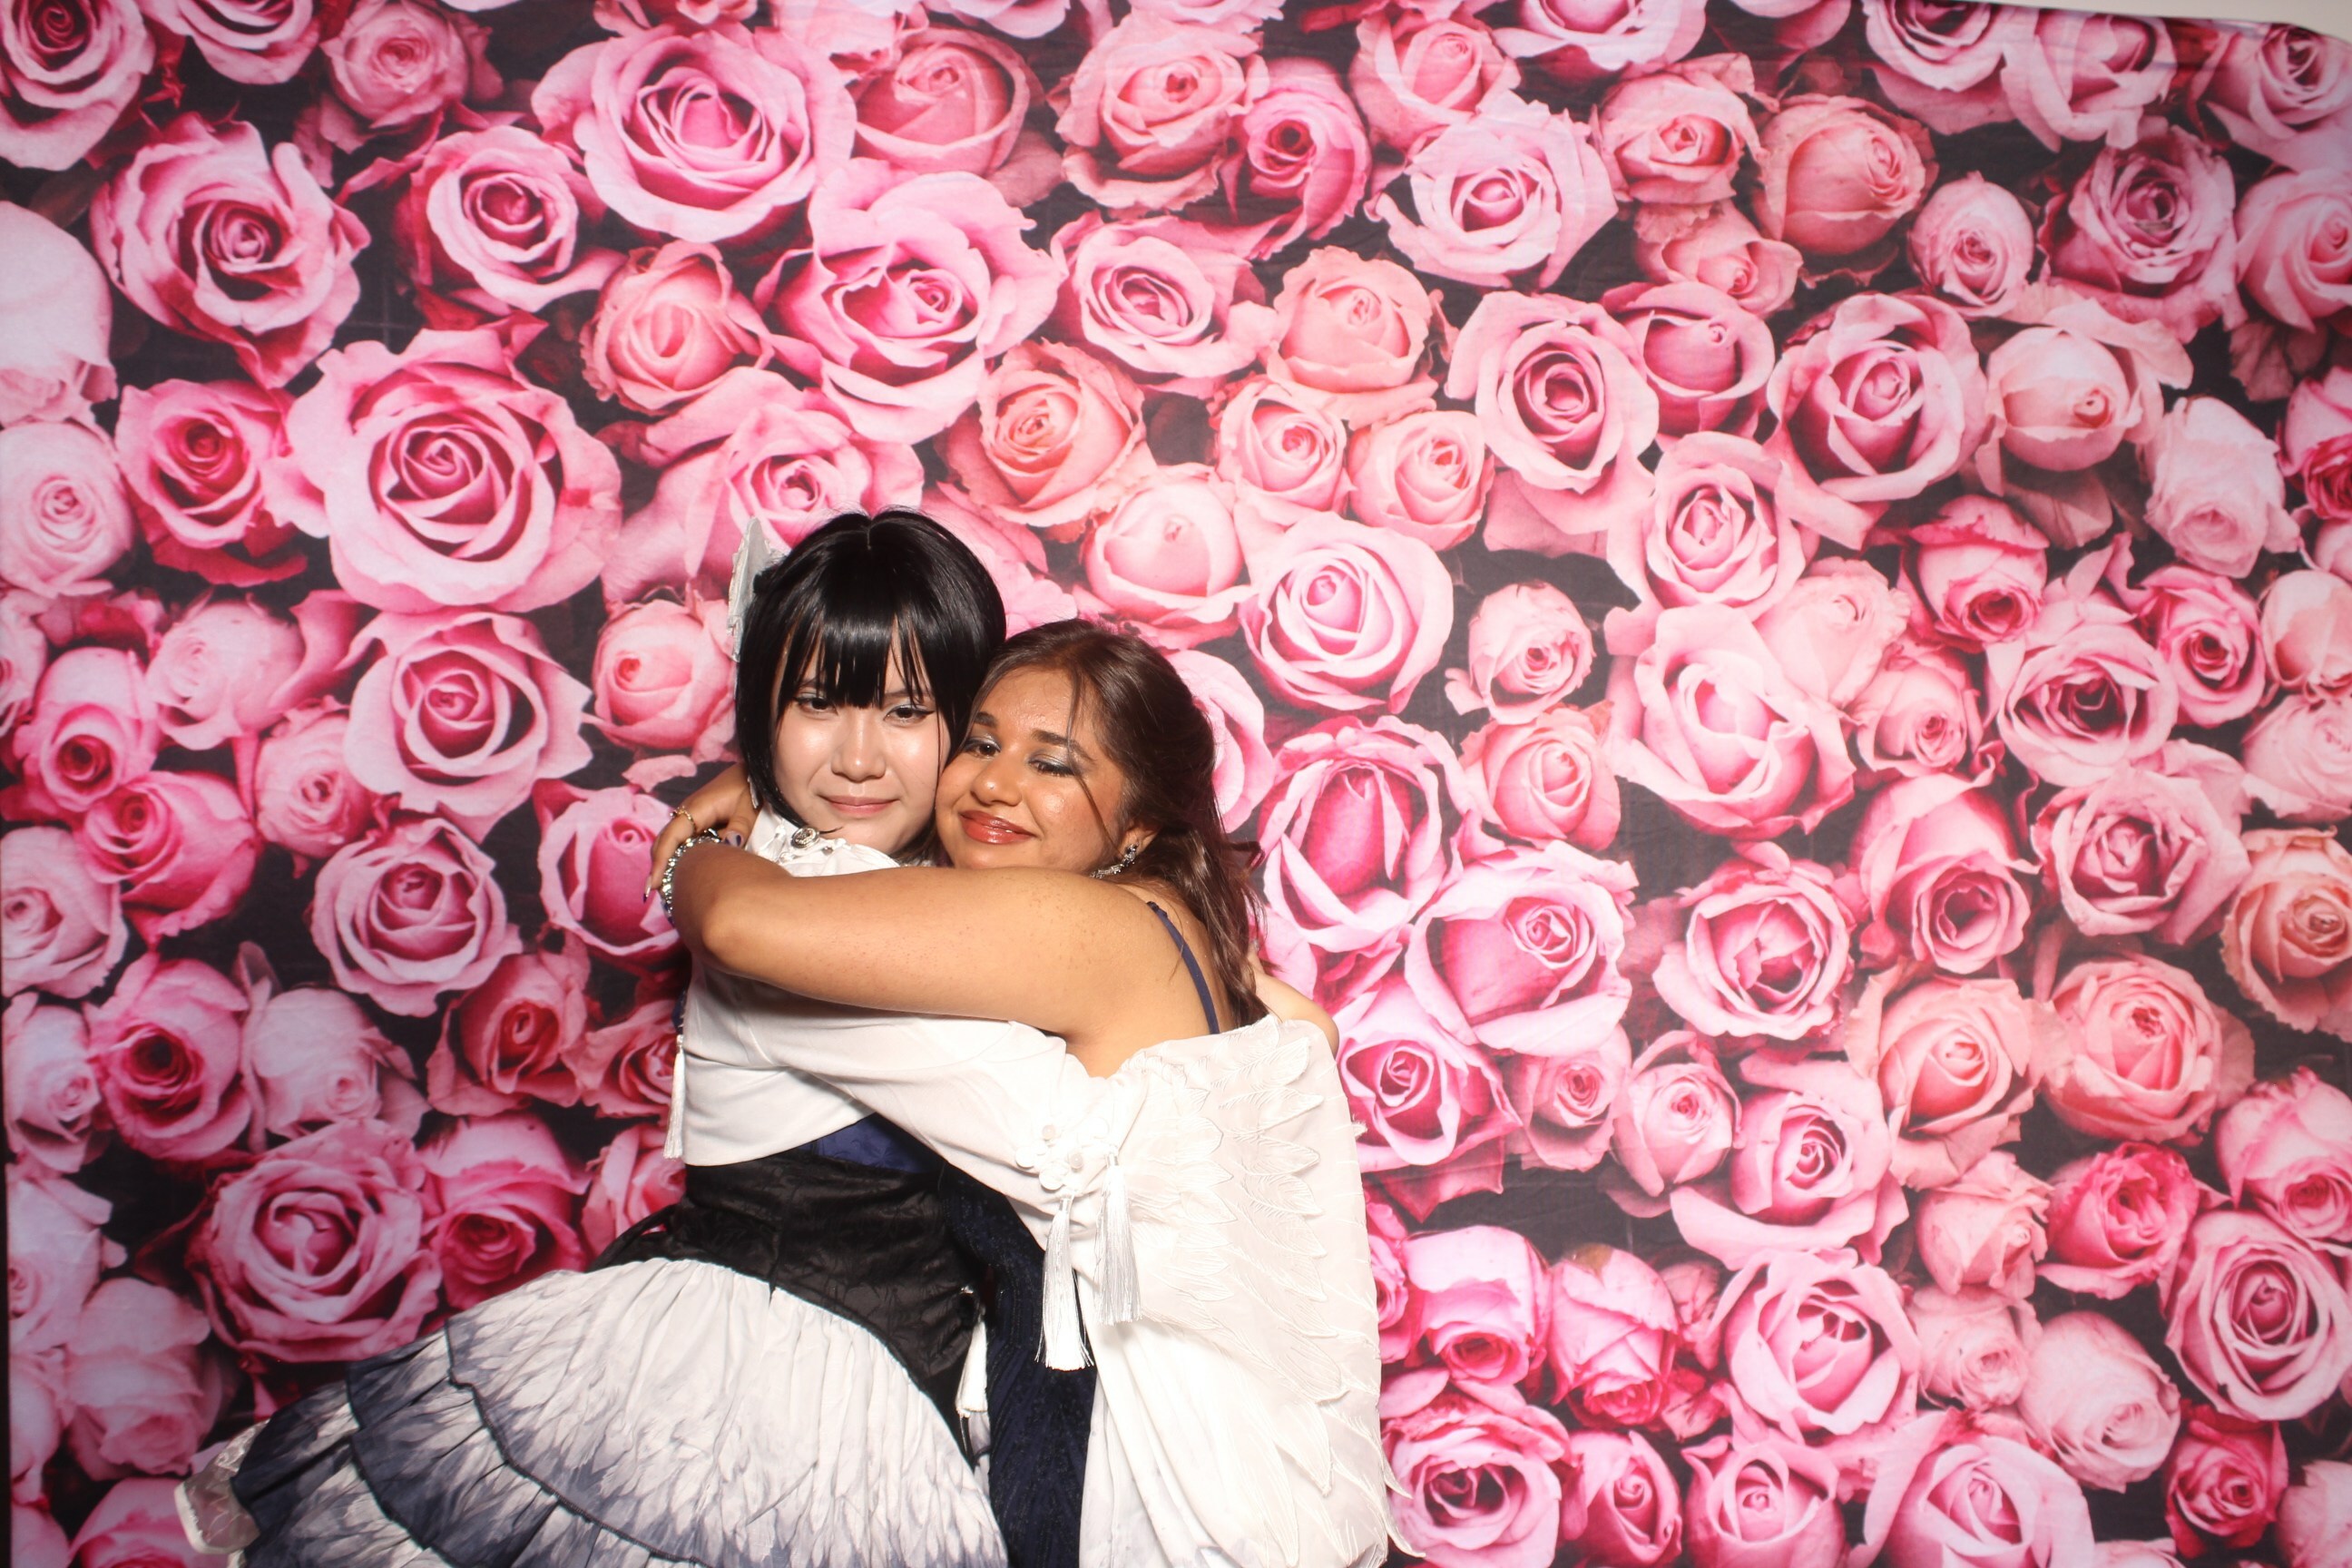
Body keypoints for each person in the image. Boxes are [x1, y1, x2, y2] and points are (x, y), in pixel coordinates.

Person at [180, 511, 1019, 1567]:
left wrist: (754, 782)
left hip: (884, 1378)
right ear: (764, 710)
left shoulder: (865, 867)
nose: (858, 757)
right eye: (817, 704)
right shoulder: (792, 890)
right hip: (756, 1387)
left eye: (905, 712)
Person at [663, 618, 1388, 1568]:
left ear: (1137, 824)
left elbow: (738, 922)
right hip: (1209, 1462)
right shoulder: (1167, 922)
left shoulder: (1082, 924)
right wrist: (768, 784)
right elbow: (1311, 1030)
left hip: (1129, 1473)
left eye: (1053, 765)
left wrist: (703, 840)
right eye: (979, 744)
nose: (994, 784)